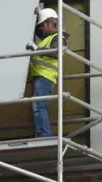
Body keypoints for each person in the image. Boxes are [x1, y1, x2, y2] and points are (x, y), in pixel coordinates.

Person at [26, 8, 69, 138]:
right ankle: (42, 134)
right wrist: (39, 14)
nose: (41, 29)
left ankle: (43, 135)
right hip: (41, 77)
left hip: (45, 77)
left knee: (39, 106)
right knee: (38, 105)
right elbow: (34, 31)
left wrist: (36, 48)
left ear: (50, 23)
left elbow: (56, 52)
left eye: (43, 25)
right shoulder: (48, 38)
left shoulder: (58, 38)